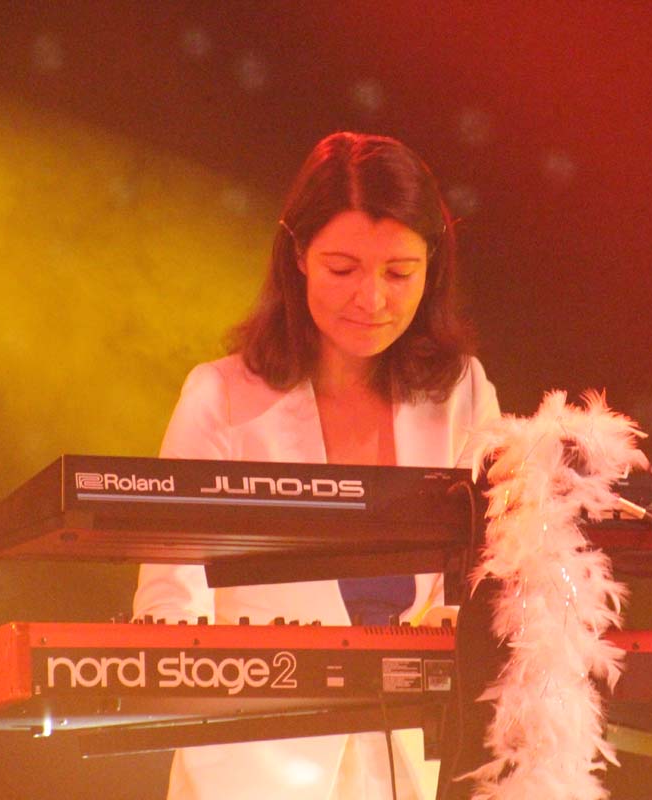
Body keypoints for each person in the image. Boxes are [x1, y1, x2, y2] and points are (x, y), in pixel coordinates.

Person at [133, 131, 501, 800]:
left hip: (407, 761)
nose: (372, 299)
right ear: (297, 254)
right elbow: (170, 601)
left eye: (399, 273)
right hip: (250, 765)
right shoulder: (220, 396)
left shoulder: (461, 393)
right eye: (343, 269)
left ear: (434, 264)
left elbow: (492, 576)